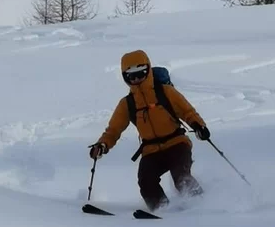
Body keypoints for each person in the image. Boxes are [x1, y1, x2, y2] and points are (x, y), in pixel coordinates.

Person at [89, 50, 211, 212]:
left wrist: (199, 126)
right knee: (146, 180)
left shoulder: (166, 92)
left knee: (181, 176)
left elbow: (187, 112)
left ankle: (201, 204)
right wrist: (102, 145)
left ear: (148, 70)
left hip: (177, 143)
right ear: (125, 77)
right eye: (131, 76)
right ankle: (163, 210)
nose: (136, 79)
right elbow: (113, 130)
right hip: (151, 150)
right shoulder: (127, 104)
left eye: (140, 74)